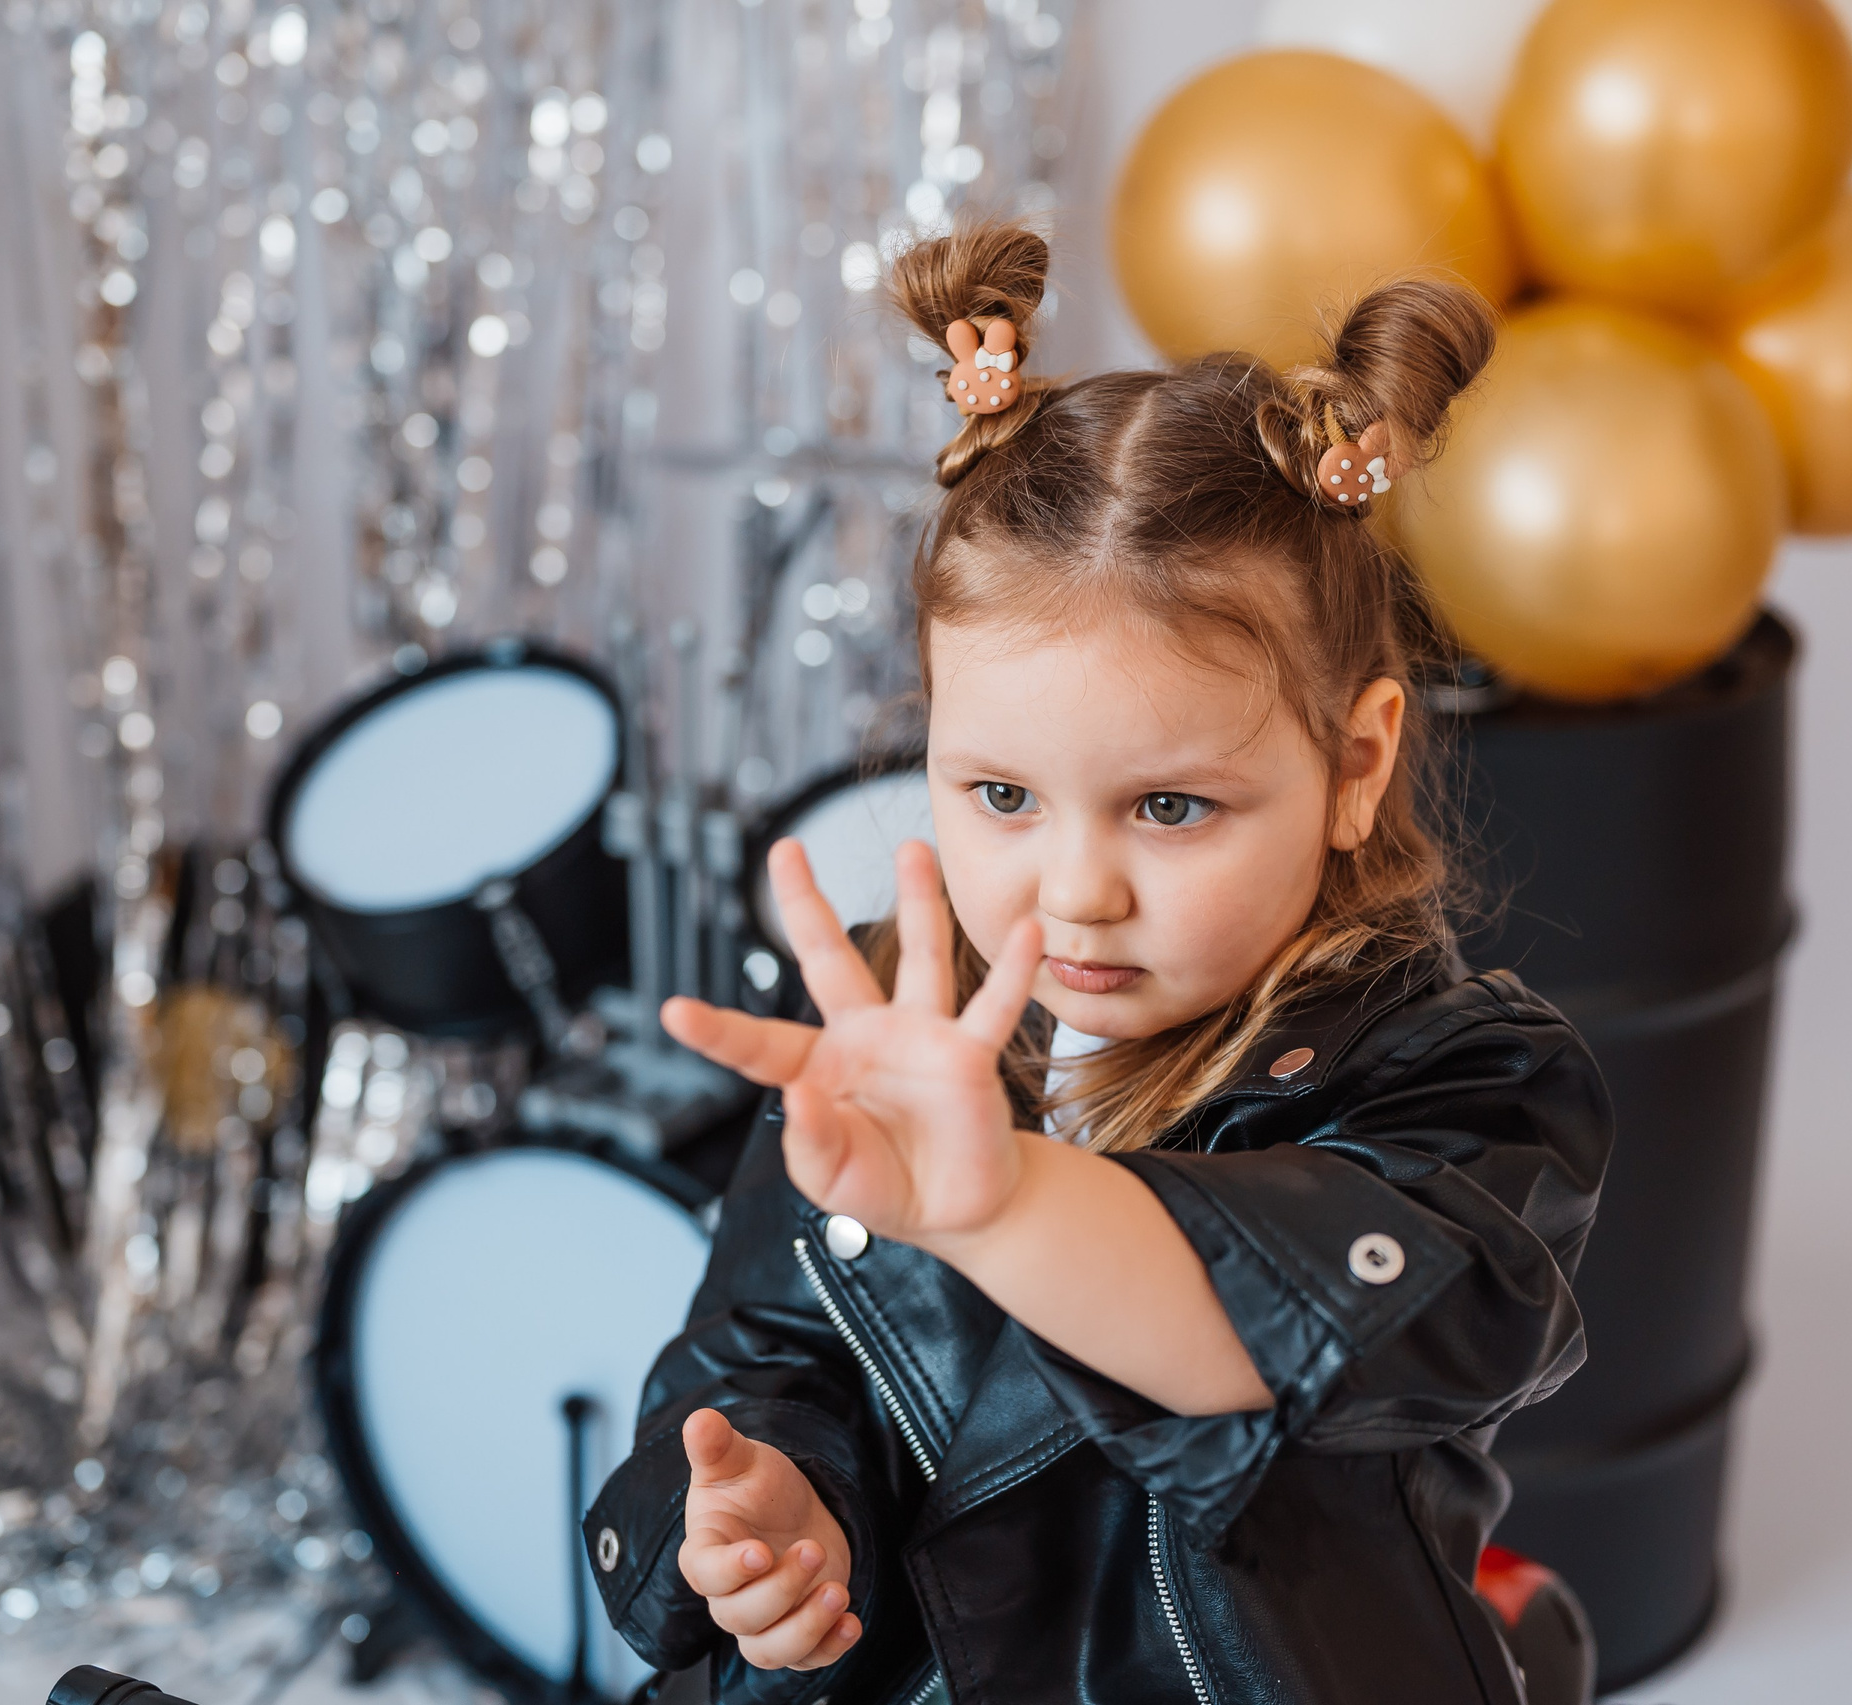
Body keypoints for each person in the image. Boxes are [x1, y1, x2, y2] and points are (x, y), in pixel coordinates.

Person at [585, 221, 1612, 1705]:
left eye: (1172, 805)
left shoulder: (1472, 1083)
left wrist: (993, 1201)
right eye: (1000, 795)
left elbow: (1265, 1352)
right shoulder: (895, 1016)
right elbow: (765, 1348)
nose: (1075, 891)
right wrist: (773, 1512)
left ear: (1355, 760)